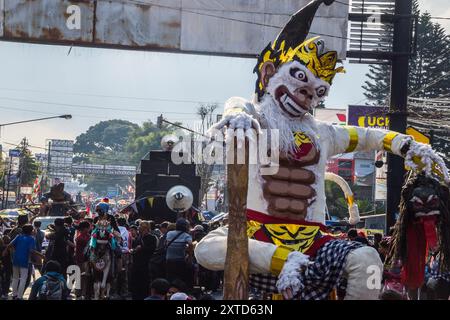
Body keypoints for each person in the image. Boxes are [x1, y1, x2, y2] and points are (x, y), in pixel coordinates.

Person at [2, 224, 43, 299]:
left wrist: (6, 251)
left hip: (15, 259)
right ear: (30, 231)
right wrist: (41, 255)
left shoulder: (18, 236)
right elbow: (31, 250)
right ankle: (19, 296)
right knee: (23, 279)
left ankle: (14, 295)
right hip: (24, 260)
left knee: (15, 278)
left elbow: (10, 245)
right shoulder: (31, 239)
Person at [130, 221, 158, 300]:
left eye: (142, 229)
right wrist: (133, 250)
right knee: (136, 285)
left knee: (144, 285)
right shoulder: (138, 238)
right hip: (136, 265)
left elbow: (152, 249)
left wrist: (142, 248)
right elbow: (134, 247)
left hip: (146, 264)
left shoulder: (152, 238)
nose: (141, 230)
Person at [165, 218, 194, 290]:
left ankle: (170, 293)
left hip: (169, 261)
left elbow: (166, 243)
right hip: (180, 261)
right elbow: (191, 244)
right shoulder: (186, 235)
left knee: (170, 279)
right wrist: (190, 257)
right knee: (180, 279)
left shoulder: (169, 233)